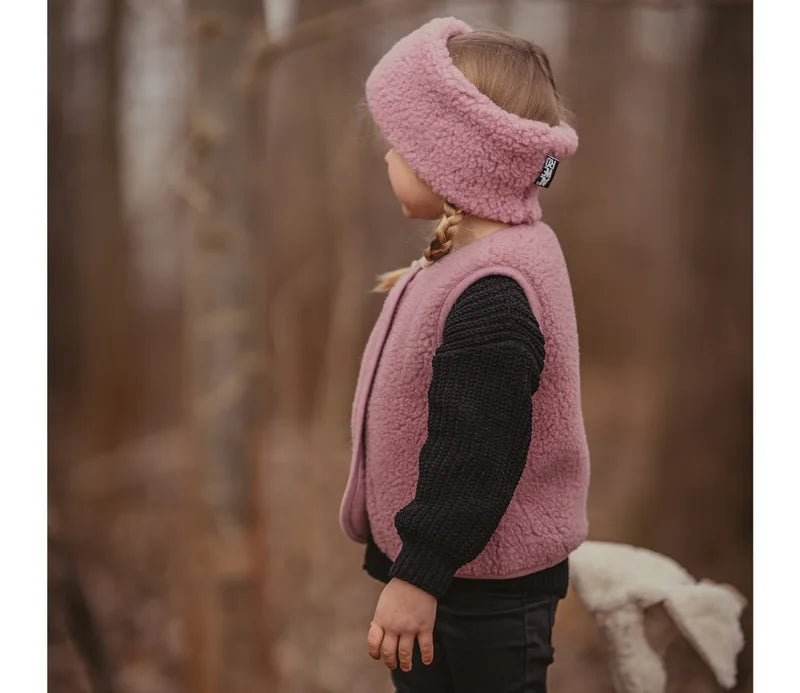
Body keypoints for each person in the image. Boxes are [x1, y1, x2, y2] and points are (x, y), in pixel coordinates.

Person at [338, 16, 591, 693]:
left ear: (452, 159)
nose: (386, 158)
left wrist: (419, 574)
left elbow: (477, 449)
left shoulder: (495, 289)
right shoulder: (473, 262)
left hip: (480, 596)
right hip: (451, 575)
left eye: (399, 145)